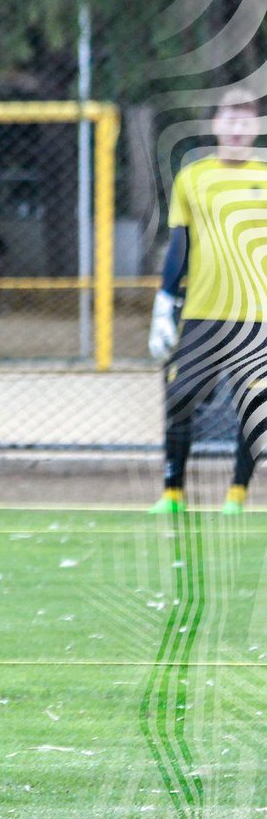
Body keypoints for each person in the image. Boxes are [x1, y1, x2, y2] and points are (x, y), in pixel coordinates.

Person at [148, 87, 267, 515]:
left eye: (246, 120)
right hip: (201, 314)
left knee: (254, 409)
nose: (237, 128)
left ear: (254, 128)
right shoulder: (193, 176)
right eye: (230, 119)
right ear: (216, 124)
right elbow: (180, 245)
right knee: (180, 398)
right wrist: (164, 304)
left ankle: (237, 496)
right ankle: (172, 494)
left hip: (256, 317)